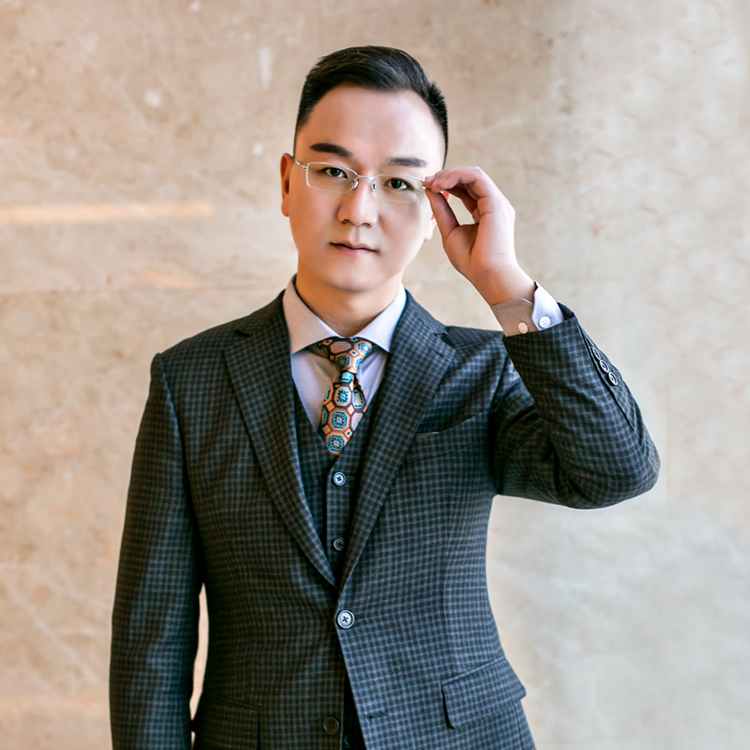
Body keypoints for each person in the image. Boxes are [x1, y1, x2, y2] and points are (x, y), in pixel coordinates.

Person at [110, 46, 660, 750]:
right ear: (287, 181)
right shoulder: (191, 379)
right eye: (332, 171)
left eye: (399, 183)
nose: (359, 209)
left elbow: (616, 471)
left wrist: (506, 286)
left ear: (435, 211)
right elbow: (150, 643)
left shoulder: (483, 369)